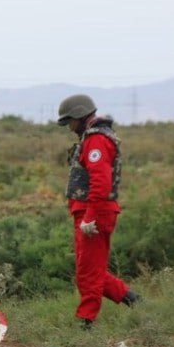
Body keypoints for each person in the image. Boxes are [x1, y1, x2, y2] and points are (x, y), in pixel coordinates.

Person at [57, 94, 139, 330]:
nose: (69, 127)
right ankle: (135, 301)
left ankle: (85, 325)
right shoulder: (93, 136)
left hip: (94, 214)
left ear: (81, 116)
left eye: (70, 121)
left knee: (88, 275)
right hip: (87, 212)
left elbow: (100, 182)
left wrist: (90, 218)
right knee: (90, 270)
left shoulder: (96, 140)